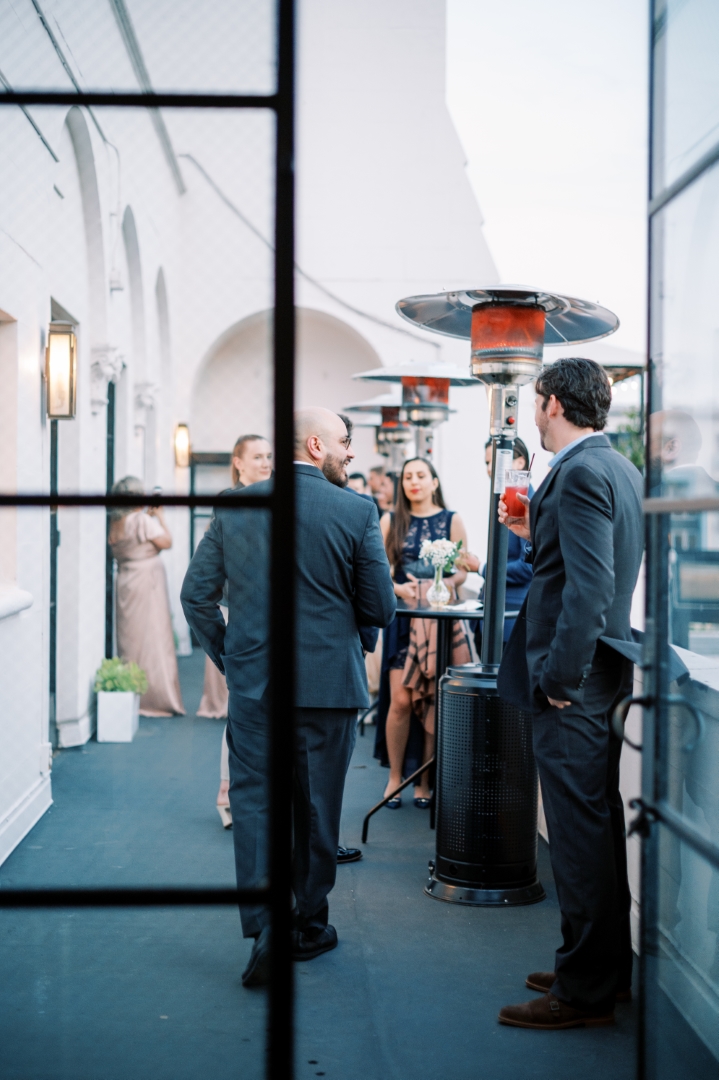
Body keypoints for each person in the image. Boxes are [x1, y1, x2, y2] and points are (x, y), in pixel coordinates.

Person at [181, 407, 396, 987]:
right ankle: (306, 923)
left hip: (256, 685)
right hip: (328, 686)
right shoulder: (354, 510)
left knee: (253, 806)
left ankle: (266, 931)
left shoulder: (237, 505)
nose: (352, 454)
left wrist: (232, 657)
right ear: (318, 442)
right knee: (318, 805)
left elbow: (196, 597)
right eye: (347, 443)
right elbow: (379, 607)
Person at [495, 357, 643, 1030]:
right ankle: (602, 968)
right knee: (597, 824)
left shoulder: (579, 472)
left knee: (579, 836)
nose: (532, 411)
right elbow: (589, 567)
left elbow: (588, 590)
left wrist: (557, 679)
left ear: (551, 402)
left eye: (534, 400)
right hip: (602, 672)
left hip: (574, 682)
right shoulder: (617, 468)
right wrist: (534, 533)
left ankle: (581, 987)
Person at [376, 458, 468, 806]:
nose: (413, 482)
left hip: (438, 619)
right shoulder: (390, 519)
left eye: (420, 476)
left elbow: (462, 571)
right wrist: (398, 589)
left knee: (432, 696)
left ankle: (424, 781)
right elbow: (378, 568)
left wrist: (440, 583)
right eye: (408, 477)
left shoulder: (452, 519)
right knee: (401, 699)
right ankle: (395, 777)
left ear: (433, 481)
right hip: (402, 617)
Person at [198, 435, 273, 828]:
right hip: (239, 618)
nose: (265, 462)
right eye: (257, 456)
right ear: (238, 463)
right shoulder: (231, 502)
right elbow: (214, 574)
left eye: (269, 456)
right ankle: (228, 790)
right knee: (240, 711)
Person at [109, 477, 185, 717]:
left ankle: (133, 690)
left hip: (125, 580)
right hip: (147, 582)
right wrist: (160, 517)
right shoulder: (141, 520)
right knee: (154, 636)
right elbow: (166, 541)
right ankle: (156, 698)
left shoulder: (116, 522)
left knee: (131, 639)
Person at [458, 436, 533, 646]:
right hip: (494, 615)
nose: (490, 469)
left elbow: (528, 566)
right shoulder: (506, 501)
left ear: (520, 463)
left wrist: (481, 567)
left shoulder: (526, 504)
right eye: (487, 463)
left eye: (495, 462)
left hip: (512, 617)